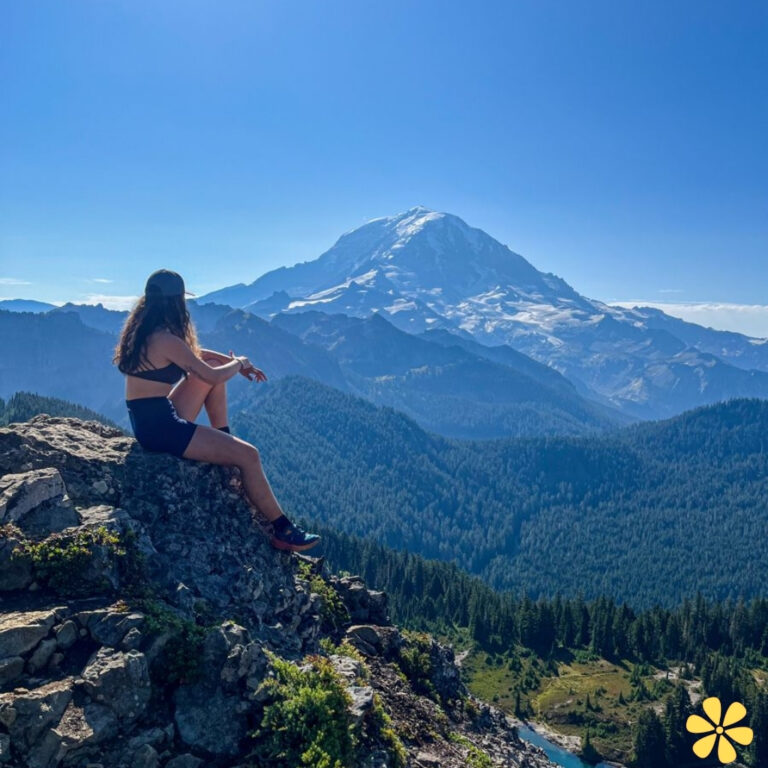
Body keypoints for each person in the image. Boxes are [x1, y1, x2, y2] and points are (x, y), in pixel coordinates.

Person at [113, 268, 320, 552]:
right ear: (177, 303)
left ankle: (223, 440)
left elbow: (198, 356)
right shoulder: (165, 339)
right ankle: (283, 529)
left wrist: (240, 365)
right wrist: (238, 364)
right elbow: (211, 375)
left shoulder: (147, 332)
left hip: (149, 419)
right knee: (249, 455)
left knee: (209, 375)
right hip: (162, 428)